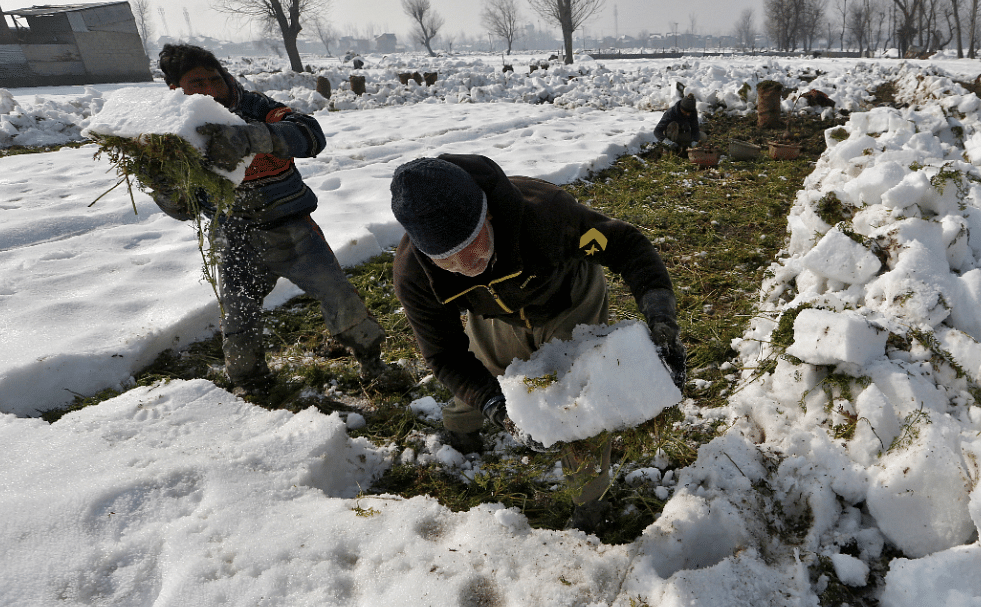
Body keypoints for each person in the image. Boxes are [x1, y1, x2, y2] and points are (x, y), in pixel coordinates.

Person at [389, 154, 686, 455]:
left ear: (487, 213)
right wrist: (497, 410)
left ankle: (588, 494)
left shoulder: (546, 213)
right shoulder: (414, 277)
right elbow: (446, 356)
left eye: (471, 243)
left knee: (580, 398)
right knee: (482, 385)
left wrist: (661, 316)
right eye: (447, 259)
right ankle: (461, 431)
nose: (467, 264)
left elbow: (626, 246)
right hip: (495, 313)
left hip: (567, 296)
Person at [151, 44, 387, 395]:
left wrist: (253, 138)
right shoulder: (176, 138)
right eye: (197, 82)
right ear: (176, 90)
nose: (210, 89)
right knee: (238, 319)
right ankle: (251, 384)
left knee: (340, 298)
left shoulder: (255, 107)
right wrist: (162, 184)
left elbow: (310, 134)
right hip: (234, 239)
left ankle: (374, 365)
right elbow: (185, 208)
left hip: (293, 231)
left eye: (215, 79)